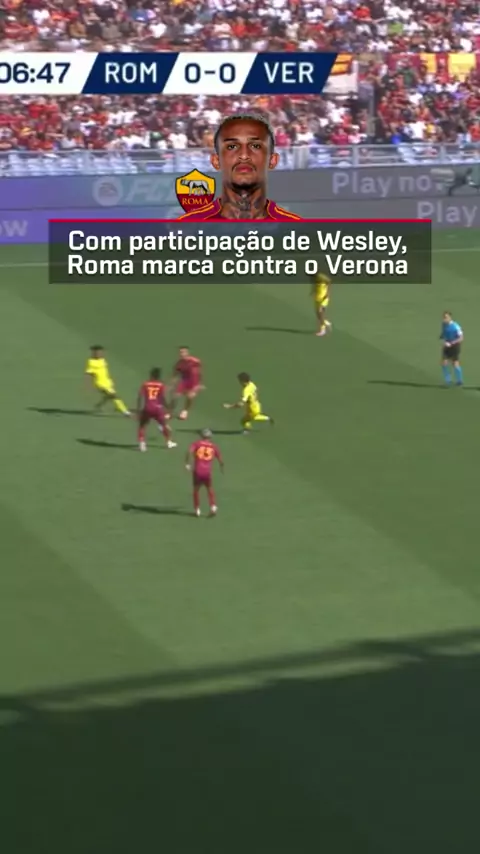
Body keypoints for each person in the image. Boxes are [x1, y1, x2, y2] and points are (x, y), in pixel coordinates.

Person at [177, 113, 303, 222]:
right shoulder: (187, 227)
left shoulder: (297, 229)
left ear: (272, 160)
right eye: (232, 147)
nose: (244, 156)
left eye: (255, 146)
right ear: (216, 161)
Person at [185, 429, 224, 517]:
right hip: (207, 472)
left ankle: (197, 509)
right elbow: (220, 459)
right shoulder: (213, 446)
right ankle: (213, 506)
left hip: (198, 471)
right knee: (209, 489)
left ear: (201, 436)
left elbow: (189, 451)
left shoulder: (196, 444)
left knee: (196, 490)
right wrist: (222, 467)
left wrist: (187, 463)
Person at [136, 368, 177, 451]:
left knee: (142, 426)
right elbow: (162, 397)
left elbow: (140, 396)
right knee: (163, 425)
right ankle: (169, 442)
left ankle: (142, 444)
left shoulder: (145, 384)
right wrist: (167, 407)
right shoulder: (161, 385)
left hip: (147, 407)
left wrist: (138, 409)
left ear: (151, 375)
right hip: (158, 408)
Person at [84, 345, 130, 416]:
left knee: (108, 396)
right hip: (100, 383)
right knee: (114, 396)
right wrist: (88, 385)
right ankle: (125, 412)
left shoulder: (103, 360)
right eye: (98, 352)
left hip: (108, 382)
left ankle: (98, 405)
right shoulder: (91, 362)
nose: (100, 353)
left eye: (101, 352)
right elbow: (89, 373)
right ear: (94, 353)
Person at [169, 346, 204, 420]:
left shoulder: (195, 361)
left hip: (194, 382)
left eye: (184, 352)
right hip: (184, 381)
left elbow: (200, 372)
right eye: (181, 352)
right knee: (175, 396)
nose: (182, 354)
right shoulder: (179, 363)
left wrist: (200, 384)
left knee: (190, 397)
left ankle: (185, 411)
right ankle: (169, 412)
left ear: (187, 352)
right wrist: (172, 384)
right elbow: (175, 375)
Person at [440, 311, 464, 386]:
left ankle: (459, 380)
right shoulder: (444, 324)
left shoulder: (456, 326)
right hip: (447, 345)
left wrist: (452, 343)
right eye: (444, 317)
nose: (444, 319)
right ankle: (448, 381)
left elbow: (461, 338)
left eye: (446, 317)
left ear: (450, 317)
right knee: (444, 363)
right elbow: (443, 333)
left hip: (455, 346)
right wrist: (443, 339)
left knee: (455, 363)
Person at [311, 271, 332, 336]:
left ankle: (323, 330)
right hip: (317, 297)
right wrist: (313, 291)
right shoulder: (314, 277)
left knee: (321, 312)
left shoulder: (321, 277)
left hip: (324, 298)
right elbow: (315, 285)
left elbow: (329, 282)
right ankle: (326, 323)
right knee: (318, 315)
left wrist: (327, 293)